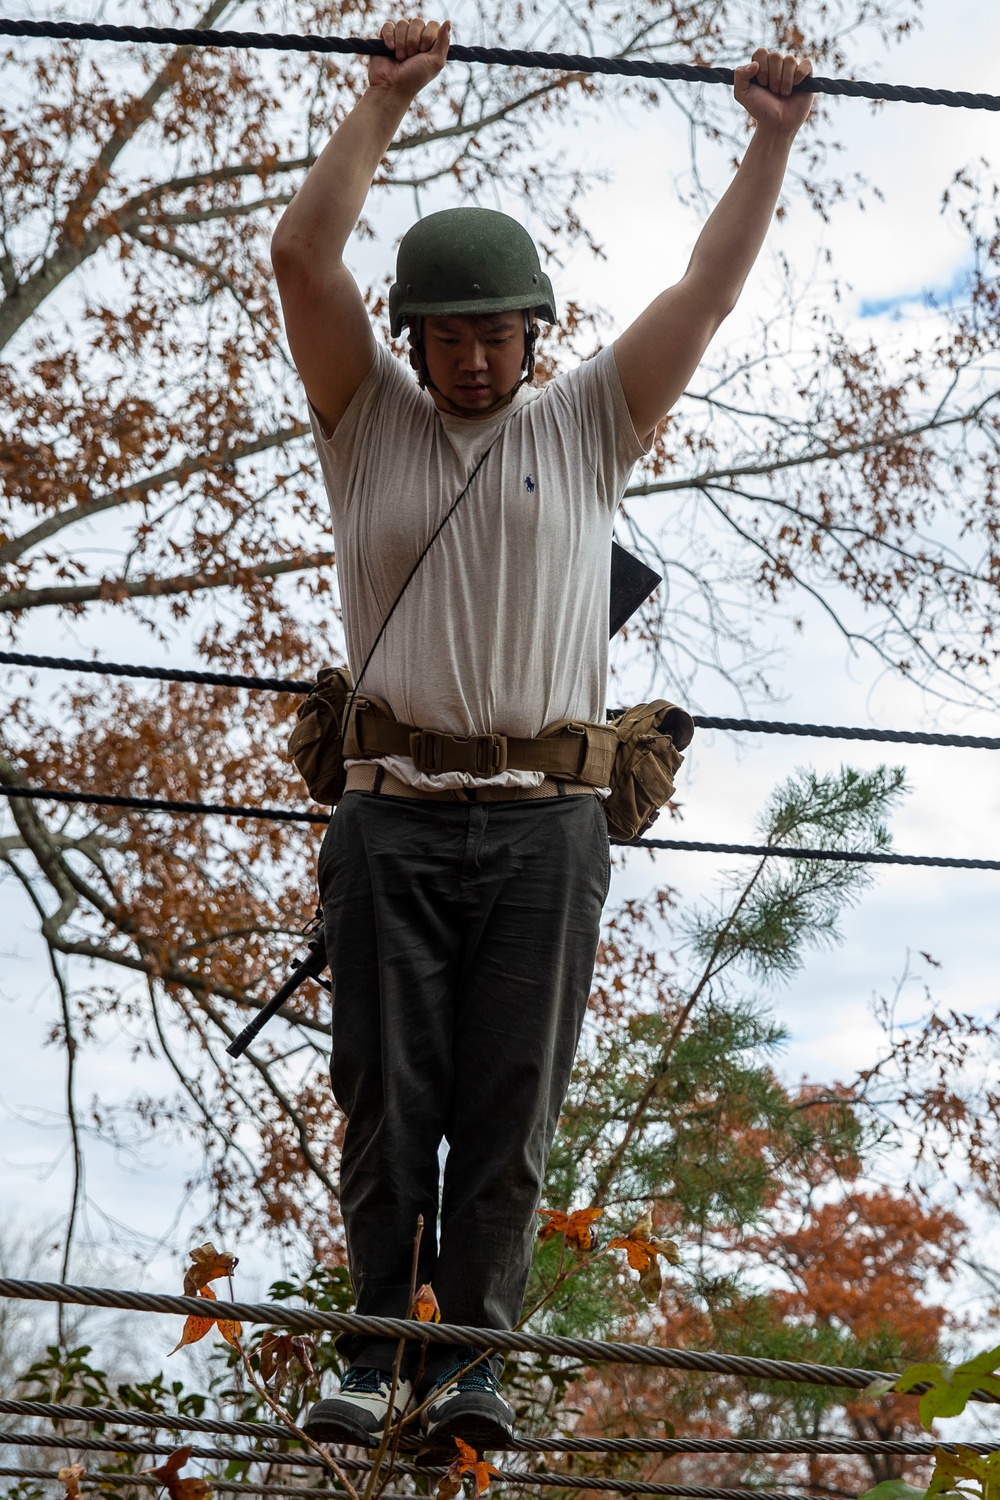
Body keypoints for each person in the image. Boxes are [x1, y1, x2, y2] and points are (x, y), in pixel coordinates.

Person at [270, 16, 814, 1452]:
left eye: (494, 330)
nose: (469, 355)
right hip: (390, 811)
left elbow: (704, 291)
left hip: (545, 825)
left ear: (534, 332)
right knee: (387, 1097)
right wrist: (383, 103)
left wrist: (769, 140)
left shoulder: (587, 428)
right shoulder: (364, 424)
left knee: (508, 1107)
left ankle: (474, 1363)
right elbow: (302, 264)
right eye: (446, 333)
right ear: (415, 341)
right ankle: (380, 1344)